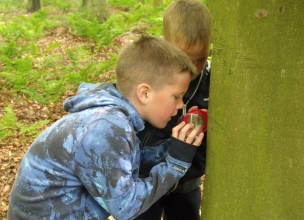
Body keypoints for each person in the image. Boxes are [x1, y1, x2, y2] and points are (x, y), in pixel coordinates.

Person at [7, 35, 205, 220]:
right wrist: (175, 164)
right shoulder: (106, 127)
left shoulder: (112, 117)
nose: (181, 105)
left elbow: (126, 164)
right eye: (176, 96)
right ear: (144, 93)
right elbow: (126, 207)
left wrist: (175, 147)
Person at [134, 0, 212, 219]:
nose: (193, 67)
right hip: (146, 180)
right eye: (184, 58)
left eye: (200, 59)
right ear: (164, 44)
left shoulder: (212, 82)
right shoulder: (147, 79)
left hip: (187, 180)